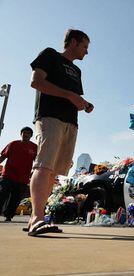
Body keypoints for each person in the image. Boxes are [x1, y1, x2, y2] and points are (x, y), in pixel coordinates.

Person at [27, 29, 94, 236]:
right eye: (85, 46)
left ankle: (35, 219)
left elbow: (73, 97)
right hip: (50, 117)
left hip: (70, 123)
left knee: (53, 171)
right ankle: (38, 218)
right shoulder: (50, 55)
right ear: (73, 42)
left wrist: (83, 103)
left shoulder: (77, 71)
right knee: (44, 164)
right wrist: (69, 95)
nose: (87, 52)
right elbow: (36, 82)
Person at [0, 127, 37, 221]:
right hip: (8, 175)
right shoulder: (13, 144)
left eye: (28, 133)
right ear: (21, 134)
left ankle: (8, 216)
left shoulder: (34, 147)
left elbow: (37, 161)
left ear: (31, 135)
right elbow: (3, 156)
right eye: (24, 132)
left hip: (23, 178)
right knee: (2, 194)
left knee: (15, 198)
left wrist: (34, 173)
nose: (26, 134)